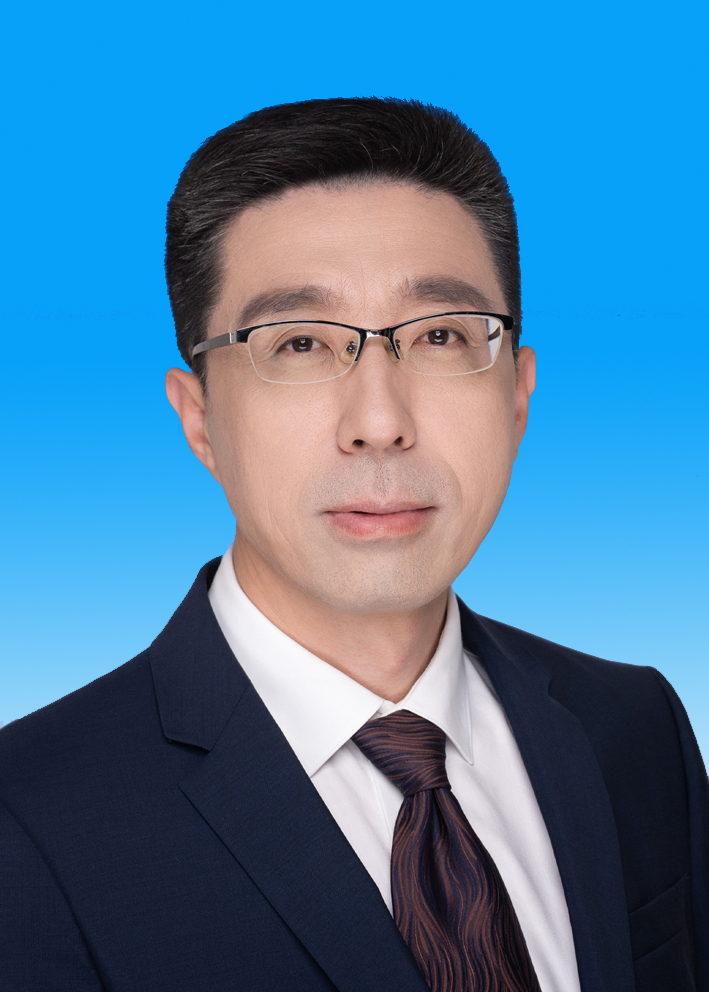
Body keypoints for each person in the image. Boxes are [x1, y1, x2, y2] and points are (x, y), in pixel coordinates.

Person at [0, 97, 706, 992]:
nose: (379, 422)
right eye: (298, 343)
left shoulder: (633, 727)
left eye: (440, 335)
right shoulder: (27, 819)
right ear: (199, 417)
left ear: (517, 395)